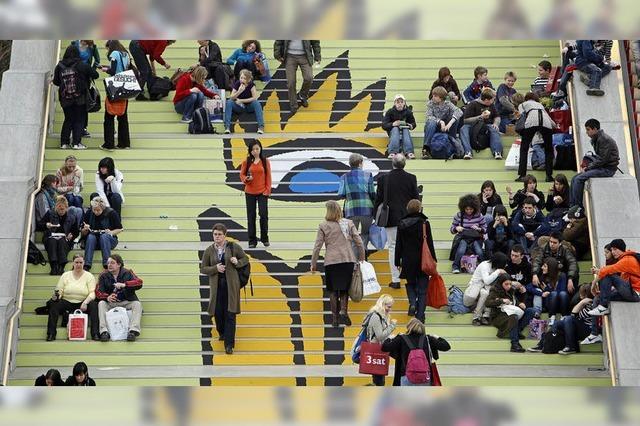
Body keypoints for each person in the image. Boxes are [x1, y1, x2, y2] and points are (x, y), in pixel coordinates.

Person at [311, 201, 365, 327]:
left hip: (331, 261)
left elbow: (317, 247)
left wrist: (313, 264)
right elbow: (359, 242)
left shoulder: (323, 226)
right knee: (345, 289)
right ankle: (343, 311)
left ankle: (335, 319)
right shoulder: (348, 223)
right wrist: (362, 257)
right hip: (347, 260)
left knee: (333, 291)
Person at [201, 224, 250, 354]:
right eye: (215, 234)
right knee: (218, 312)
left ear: (225, 235)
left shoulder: (233, 247)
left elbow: (246, 259)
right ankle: (222, 332)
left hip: (231, 286)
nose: (217, 237)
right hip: (217, 287)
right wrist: (215, 269)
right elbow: (203, 269)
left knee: (230, 314)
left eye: (219, 234)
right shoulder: (209, 251)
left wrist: (237, 262)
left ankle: (229, 344)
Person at [374, 154, 419, 289]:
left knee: (393, 247)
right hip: (408, 219)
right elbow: (416, 199)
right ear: (404, 164)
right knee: (408, 248)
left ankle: (395, 279)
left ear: (392, 164)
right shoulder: (412, 178)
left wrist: (374, 215)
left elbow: (379, 199)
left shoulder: (383, 179)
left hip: (391, 218)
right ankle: (409, 277)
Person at [395, 199, 436, 322]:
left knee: (410, 283)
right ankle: (420, 315)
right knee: (423, 290)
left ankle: (412, 303)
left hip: (408, 260)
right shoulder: (424, 223)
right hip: (423, 260)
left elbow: (398, 244)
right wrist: (433, 259)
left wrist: (397, 261)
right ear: (419, 209)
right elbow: (429, 243)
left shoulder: (402, 224)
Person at [52, 44, 99, 149]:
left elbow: (56, 82)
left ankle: (64, 143)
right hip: (80, 98)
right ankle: (76, 143)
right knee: (79, 120)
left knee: (68, 119)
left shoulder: (59, 66)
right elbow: (96, 75)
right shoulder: (81, 65)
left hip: (65, 99)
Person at [382, 318, 451, 386]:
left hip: (406, 376)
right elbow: (446, 346)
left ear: (409, 327)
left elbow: (385, 348)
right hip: (425, 376)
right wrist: (437, 337)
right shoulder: (428, 339)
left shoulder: (401, 338)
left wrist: (389, 338)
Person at [529, 283, 595, 354]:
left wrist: (582, 302)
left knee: (568, 319)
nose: (579, 295)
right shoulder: (585, 303)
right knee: (558, 323)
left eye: (581, 293)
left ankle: (571, 346)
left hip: (588, 331)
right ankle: (542, 344)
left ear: (586, 294)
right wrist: (582, 302)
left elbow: (573, 314)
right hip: (581, 328)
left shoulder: (591, 305)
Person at [46, 254, 99, 341]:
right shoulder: (65, 275)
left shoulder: (89, 276)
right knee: (53, 304)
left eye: (81, 262)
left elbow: (92, 293)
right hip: (67, 301)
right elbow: (59, 290)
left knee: (94, 305)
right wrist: (57, 296)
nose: (78, 264)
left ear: (84, 263)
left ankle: (95, 333)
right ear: (73, 263)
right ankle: (51, 333)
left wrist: (85, 302)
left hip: (83, 302)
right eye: (76, 262)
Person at [571, 119, 620, 208]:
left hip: (608, 169)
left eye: (588, 129)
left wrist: (588, 167)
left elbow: (602, 159)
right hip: (602, 166)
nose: (586, 132)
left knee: (579, 179)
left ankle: (577, 207)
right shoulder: (596, 138)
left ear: (595, 129)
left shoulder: (604, 139)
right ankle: (572, 206)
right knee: (575, 178)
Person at [95, 254, 143, 342]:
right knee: (101, 303)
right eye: (108, 263)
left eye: (112, 263)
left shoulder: (128, 272)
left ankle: (133, 331)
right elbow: (98, 292)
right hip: (111, 303)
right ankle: (104, 331)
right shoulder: (103, 275)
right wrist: (107, 297)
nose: (109, 265)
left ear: (119, 264)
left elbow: (139, 283)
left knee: (137, 304)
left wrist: (125, 285)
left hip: (126, 301)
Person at [485, 274, 536, 353]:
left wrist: (521, 300)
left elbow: (514, 302)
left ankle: (517, 331)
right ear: (500, 283)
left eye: (510, 284)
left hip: (510, 313)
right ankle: (515, 344)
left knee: (531, 311)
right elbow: (487, 303)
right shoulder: (495, 290)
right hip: (499, 316)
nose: (508, 286)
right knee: (514, 317)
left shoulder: (511, 290)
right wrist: (501, 300)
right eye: (506, 284)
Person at [588, 239, 640, 316]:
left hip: (635, 293)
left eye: (615, 249)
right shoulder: (623, 259)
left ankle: (603, 307)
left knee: (608, 275)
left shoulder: (627, 260)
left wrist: (594, 282)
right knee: (598, 297)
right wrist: (605, 291)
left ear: (621, 249)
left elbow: (608, 270)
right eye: (612, 249)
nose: (613, 252)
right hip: (630, 292)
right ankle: (595, 327)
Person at [337, 153, 376, 252]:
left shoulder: (344, 177)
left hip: (351, 211)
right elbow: (372, 193)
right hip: (367, 210)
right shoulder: (368, 175)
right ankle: (363, 257)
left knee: (353, 236)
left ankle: (355, 261)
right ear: (360, 163)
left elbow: (341, 194)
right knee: (365, 234)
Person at [513, 92, 556, 182]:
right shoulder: (540, 105)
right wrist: (554, 125)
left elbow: (520, 115)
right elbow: (551, 121)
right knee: (548, 150)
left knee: (524, 149)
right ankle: (549, 176)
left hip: (531, 123)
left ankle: (522, 175)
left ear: (526, 98)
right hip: (546, 124)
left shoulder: (523, 104)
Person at [239, 140, 272, 248]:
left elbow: (268, 177)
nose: (255, 151)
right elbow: (242, 175)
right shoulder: (247, 162)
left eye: (257, 149)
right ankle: (252, 240)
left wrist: (267, 190)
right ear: (250, 151)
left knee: (263, 215)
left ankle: (264, 238)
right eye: (253, 149)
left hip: (262, 191)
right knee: (251, 216)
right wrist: (246, 179)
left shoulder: (265, 161)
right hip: (250, 192)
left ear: (260, 149)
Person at [273, 40, 321, 113]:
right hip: (290, 57)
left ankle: (302, 95)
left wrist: (317, 56)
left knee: (309, 78)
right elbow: (278, 41)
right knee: (291, 82)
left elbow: (315, 42)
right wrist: (277, 55)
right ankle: (293, 105)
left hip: (305, 56)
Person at [100, 40, 131, 150]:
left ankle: (109, 144)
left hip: (115, 87)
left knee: (109, 117)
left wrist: (105, 69)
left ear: (110, 47)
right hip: (125, 86)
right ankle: (124, 143)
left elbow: (113, 71)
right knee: (123, 116)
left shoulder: (114, 54)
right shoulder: (126, 54)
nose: (108, 51)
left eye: (107, 48)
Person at [39, 196, 82, 275]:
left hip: (64, 238)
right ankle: (54, 266)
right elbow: (40, 224)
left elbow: (76, 231)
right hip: (51, 237)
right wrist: (46, 225)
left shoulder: (71, 217)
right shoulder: (50, 213)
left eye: (63, 209)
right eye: (59, 209)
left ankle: (61, 266)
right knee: (52, 241)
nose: (61, 211)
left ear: (66, 208)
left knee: (62, 242)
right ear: (56, 207)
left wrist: (71, 235)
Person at [463, 252, 508, 325]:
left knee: (487, 292)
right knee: (485, 292)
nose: (505, 265)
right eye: (504, 263)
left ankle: (484, 316)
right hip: (473, 294)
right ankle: (476, 317)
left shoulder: (495, 268)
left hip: (484, 294)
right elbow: (487, 281)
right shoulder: (485, 265)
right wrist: (498, 272)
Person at [81, 196, 123, 271]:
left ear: (103, 208)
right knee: (90, 236)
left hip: (108, 240)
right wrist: (85, 229)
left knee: (104, 236)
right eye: (94, 210)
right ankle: (87, 264)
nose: (96, 212)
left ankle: (107, 264)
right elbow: (83, 232)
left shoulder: (111, 213)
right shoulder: (89, 213)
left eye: (98, 210)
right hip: (93, 240)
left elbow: (120, 229)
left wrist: (111, 232)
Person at [459, 88, 503, 160]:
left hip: (486, 125)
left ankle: (497, 151)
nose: (493, 101)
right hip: (473, 126)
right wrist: (480, 117)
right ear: (486, 100)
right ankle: (467, 151)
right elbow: (466, 120)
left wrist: (496, 123)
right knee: (463, 128)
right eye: (492, 99)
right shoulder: (472, 104)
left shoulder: (491, 105)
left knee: (493, 128)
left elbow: (497, 116)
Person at [449, 194, 486, 274]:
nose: (469, 211)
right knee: (461, 250)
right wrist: (456, 228)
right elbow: (452, 229)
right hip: (463, 237)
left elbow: (485, 229)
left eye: (471, 209)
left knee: (479, 251)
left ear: (475, 208)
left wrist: (479, 228)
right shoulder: (459, 215)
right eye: (467, 209)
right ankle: (455, 266)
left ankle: (484, 267)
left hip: (476, 237)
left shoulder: (479, 215)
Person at [422, 86, 463, 159]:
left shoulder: (448, 104)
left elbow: (459, 111)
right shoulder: (430, 104)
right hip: (434, 128)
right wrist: (440, 122)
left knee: (455, 118)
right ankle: (426, 149)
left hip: (447, 128)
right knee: (431, 121)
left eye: (435, 96)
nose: (433, 97)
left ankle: (452, 144)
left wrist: (449, 124)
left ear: (441, 97)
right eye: (433, 95)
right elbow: (429, 116)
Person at [365, 294, 397, 386]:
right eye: (388, 307)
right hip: (376, 350)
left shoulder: (384, 316)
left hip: (381, 348)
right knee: (379, 379)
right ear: (382, 304)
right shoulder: (375, 316)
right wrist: (392, 326)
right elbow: (380, 336)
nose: (390, 309)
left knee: (380, 377)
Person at [224, 69, 265, 134]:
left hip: (249, 106)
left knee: (257, 103)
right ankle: (227, 127)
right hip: (239, 107)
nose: (242, 80)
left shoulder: (251, 85)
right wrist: (239, 91)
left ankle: (261, 127)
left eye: (244, 78)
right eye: (241, 78)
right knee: (229, 102)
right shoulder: (237, 83)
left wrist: (241, 100)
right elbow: (231, 97)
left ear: (248, 80)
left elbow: (254, 98)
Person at [382, 94, 416, 159]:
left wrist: (410, 125)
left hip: (404, 133)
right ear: (394, 103)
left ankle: (409, 152)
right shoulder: (390, 112)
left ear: (404, 103)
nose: (400, 104)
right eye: (398, 102)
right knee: (395, 128)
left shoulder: (408, 112)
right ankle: (392, 152)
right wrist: (393, 124)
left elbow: (414, 123)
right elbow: (384, 125)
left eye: (401, 102)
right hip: (393, 133)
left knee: (405, 129)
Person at [538, 257, 570, 324]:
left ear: (551, 267)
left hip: (561, 303)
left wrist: (547, 289)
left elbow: (562, 290)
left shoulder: (562, 275)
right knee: (554, 294)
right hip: (549, 303)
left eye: (544, 266)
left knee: (563, 294)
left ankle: (564, 316)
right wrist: (547, 290)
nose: (542, 267)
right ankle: (551, 317)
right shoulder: (543, 277)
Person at [505, 245, 534, 311]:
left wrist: (524, 287)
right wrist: (511, 283)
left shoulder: (527, 266)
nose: (513, 258)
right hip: (509, 288)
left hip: (522, 290)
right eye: (512, 255)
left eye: (516, 256)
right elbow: (502, 280)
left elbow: (529, 281)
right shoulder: (507, 264)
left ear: (522, 256)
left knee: (527, 294)